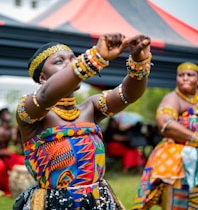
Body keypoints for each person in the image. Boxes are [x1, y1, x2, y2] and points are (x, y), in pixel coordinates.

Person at [13, 33, 152, 209]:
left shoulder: (91, 107)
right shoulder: (29, 110)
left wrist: (139, 61)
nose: (70, 64)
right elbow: (45, 96)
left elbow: (127, 94)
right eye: (59, 61)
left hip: (98, 200)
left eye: (73, 59)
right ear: (42, 78)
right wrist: (95, 57)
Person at [132, 62, 198, 209]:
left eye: (190, 75)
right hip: (176, 160)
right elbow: (164, 123)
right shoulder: (172, 98)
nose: (185, 78)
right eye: (181, 75)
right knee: (178, 201)